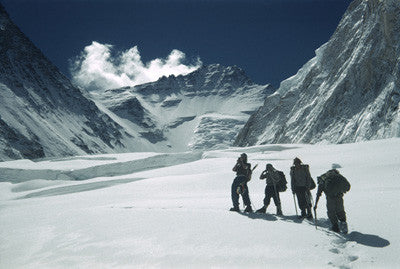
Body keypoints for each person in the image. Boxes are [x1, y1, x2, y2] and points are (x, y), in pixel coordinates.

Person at [314, 168, 351, 234]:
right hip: (339, 196)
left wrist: (316, 204)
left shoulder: (324, 178)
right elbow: (348, 187)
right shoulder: (339, 177)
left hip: (330, 198)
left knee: (331, 212)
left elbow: (319, 192)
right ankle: (343, 224)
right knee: (340, 210)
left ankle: (335, 226)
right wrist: (342, 191)